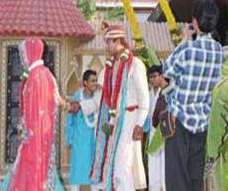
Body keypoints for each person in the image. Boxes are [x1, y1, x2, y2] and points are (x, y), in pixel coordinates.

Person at [163, 0, 223, 191]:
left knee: (177, 178)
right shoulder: (219, 51)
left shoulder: (187, 48)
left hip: (179, 120)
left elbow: (166, 71)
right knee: (196, 177)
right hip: (203, 121)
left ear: (195, 22)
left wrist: (184, 40)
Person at [0, 37, 66, 191]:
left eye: (24, 53)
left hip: (33, 138)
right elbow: (57, 100)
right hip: (45, 136)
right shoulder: (47, 74)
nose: (23, 58)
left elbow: (32, 112)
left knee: (30, 174)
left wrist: (25, 131)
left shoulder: (34, 77)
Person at [90, 23, 149, 191]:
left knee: (123, 166)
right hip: (115, 120)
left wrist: (139, 124)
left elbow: (144, 98)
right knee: (116, 166)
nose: (106, 46)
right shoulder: (110, 66)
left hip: (130, 119)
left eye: (109, 42)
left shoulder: (135, 64)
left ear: (118, 41)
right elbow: (103, 93)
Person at [66, 69, 101, 191]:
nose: (95, 83)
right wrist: (70, 138)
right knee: (77, 171)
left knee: (94, 170)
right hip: (79, 140)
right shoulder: (77, 96)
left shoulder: (98, 97)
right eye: (92, 81)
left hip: (94, 140)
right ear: (85, 82)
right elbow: (70, 119)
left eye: (96, 81)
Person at [147, 65, 168, 191]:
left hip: (166, 134)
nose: (152, 80)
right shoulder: (149, 93)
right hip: (153, 133)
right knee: (153, 168)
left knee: (165, 168)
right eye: (150, 78)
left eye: (154, 76)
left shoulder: (168, 92)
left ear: (162, 75)